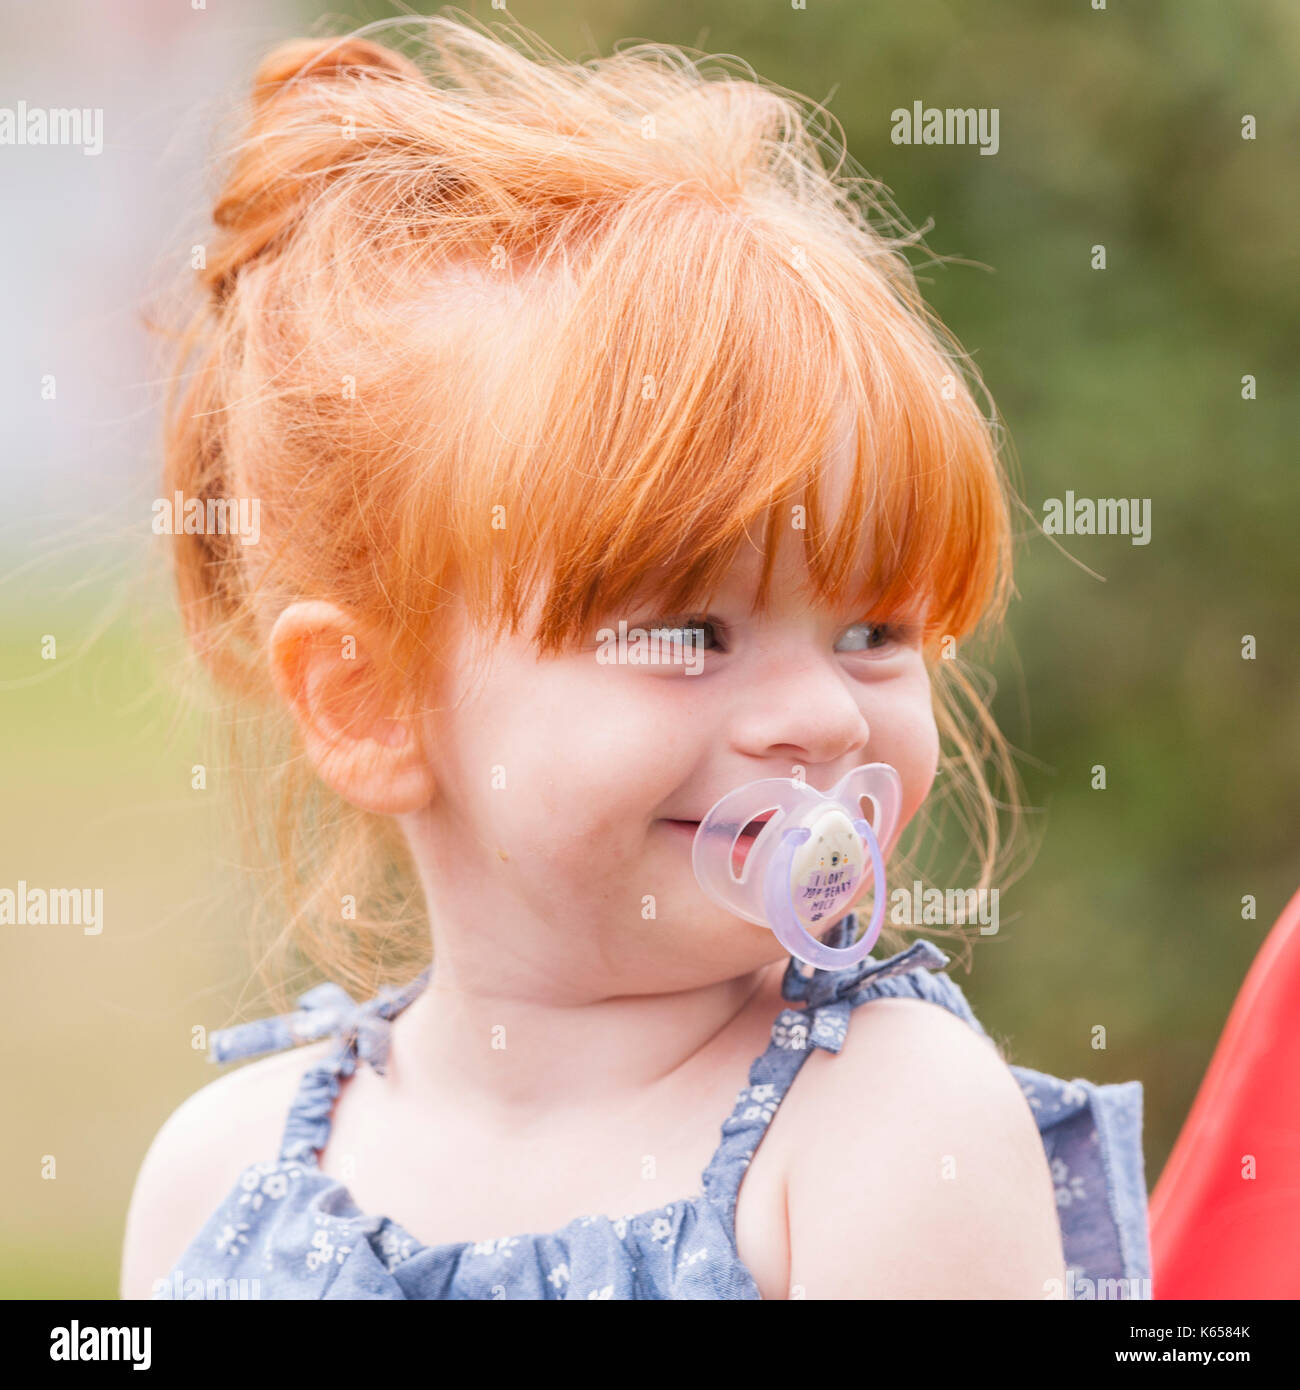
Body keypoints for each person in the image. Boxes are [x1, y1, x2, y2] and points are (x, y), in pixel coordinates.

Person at [120, 14, 1150, 1300]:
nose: (824, 714)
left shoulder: (881, 1132)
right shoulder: (220, 1179)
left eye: (873, 631)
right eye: (690, 633)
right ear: (371, 702)